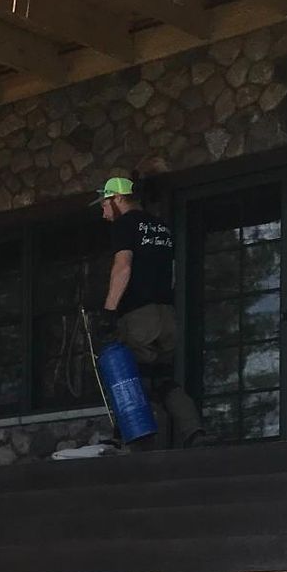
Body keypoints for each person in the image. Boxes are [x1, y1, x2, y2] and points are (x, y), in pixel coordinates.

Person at [97, 175, 204, 449]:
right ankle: (194, 432)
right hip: (167, 315)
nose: (103, 212)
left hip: (139, 317)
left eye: (105, 204)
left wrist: (109, 310)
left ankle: (133, 441)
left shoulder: (125, 225)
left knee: (131, 376)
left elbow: (123, 267)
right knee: (164, 380)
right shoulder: (161, 227)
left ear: (118, 199)